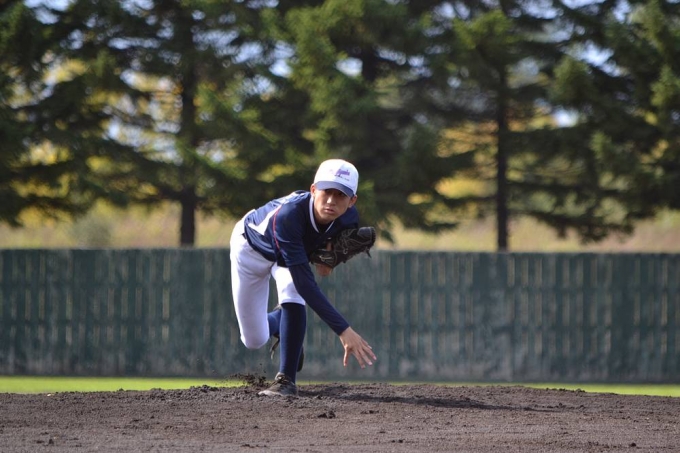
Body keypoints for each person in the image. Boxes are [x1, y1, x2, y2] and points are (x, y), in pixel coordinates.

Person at [229, 159, 377, 397]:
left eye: (341, 195)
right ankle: (282, 322)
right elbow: (305, 283)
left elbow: (328, 250)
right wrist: (343, 330)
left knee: (292, 290)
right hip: (251, 251)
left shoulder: (348, 218)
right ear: (313, 190)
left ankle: (286, 381)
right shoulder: (290, 216)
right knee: (254, 339)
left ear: (352, 201)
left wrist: (329, 258)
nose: (331, 200)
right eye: (327, 191)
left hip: (286, 257)